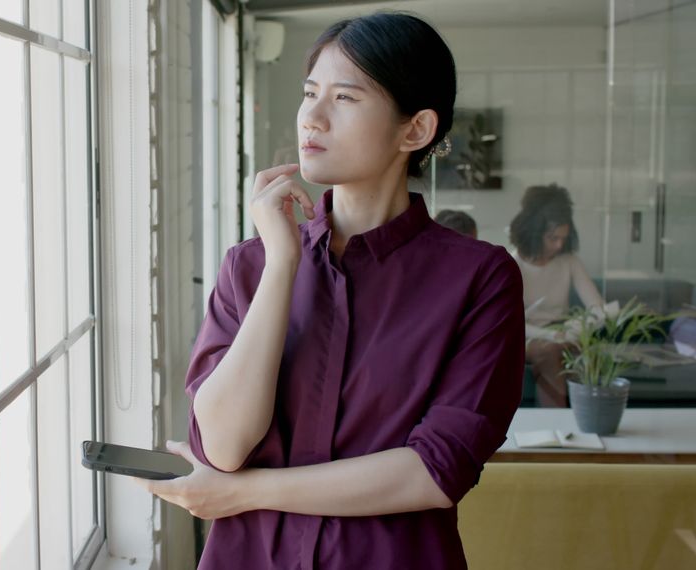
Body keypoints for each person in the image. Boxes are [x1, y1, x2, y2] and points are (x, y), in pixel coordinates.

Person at [137, 13, 524, 569]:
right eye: (309, 93)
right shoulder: (251, 265)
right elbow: (222, 446)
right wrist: (282, 264)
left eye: (345, 97)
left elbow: (436, 471)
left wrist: (244, 492)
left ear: (415, 130)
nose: (312, 118)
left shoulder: (479, 279)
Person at [510, 183, 603, 408]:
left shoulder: (569, 261)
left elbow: (597, 308)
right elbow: (512, 322)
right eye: (553, 238)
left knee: (589, 354)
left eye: (563, 237)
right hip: (528, 336)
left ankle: (591, 415)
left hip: (564, 333)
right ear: (535, 233)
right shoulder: (514, 263)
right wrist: (550, 335)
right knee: (550, 352)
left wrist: (576, 328)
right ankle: (557, 420)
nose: (559, 244)